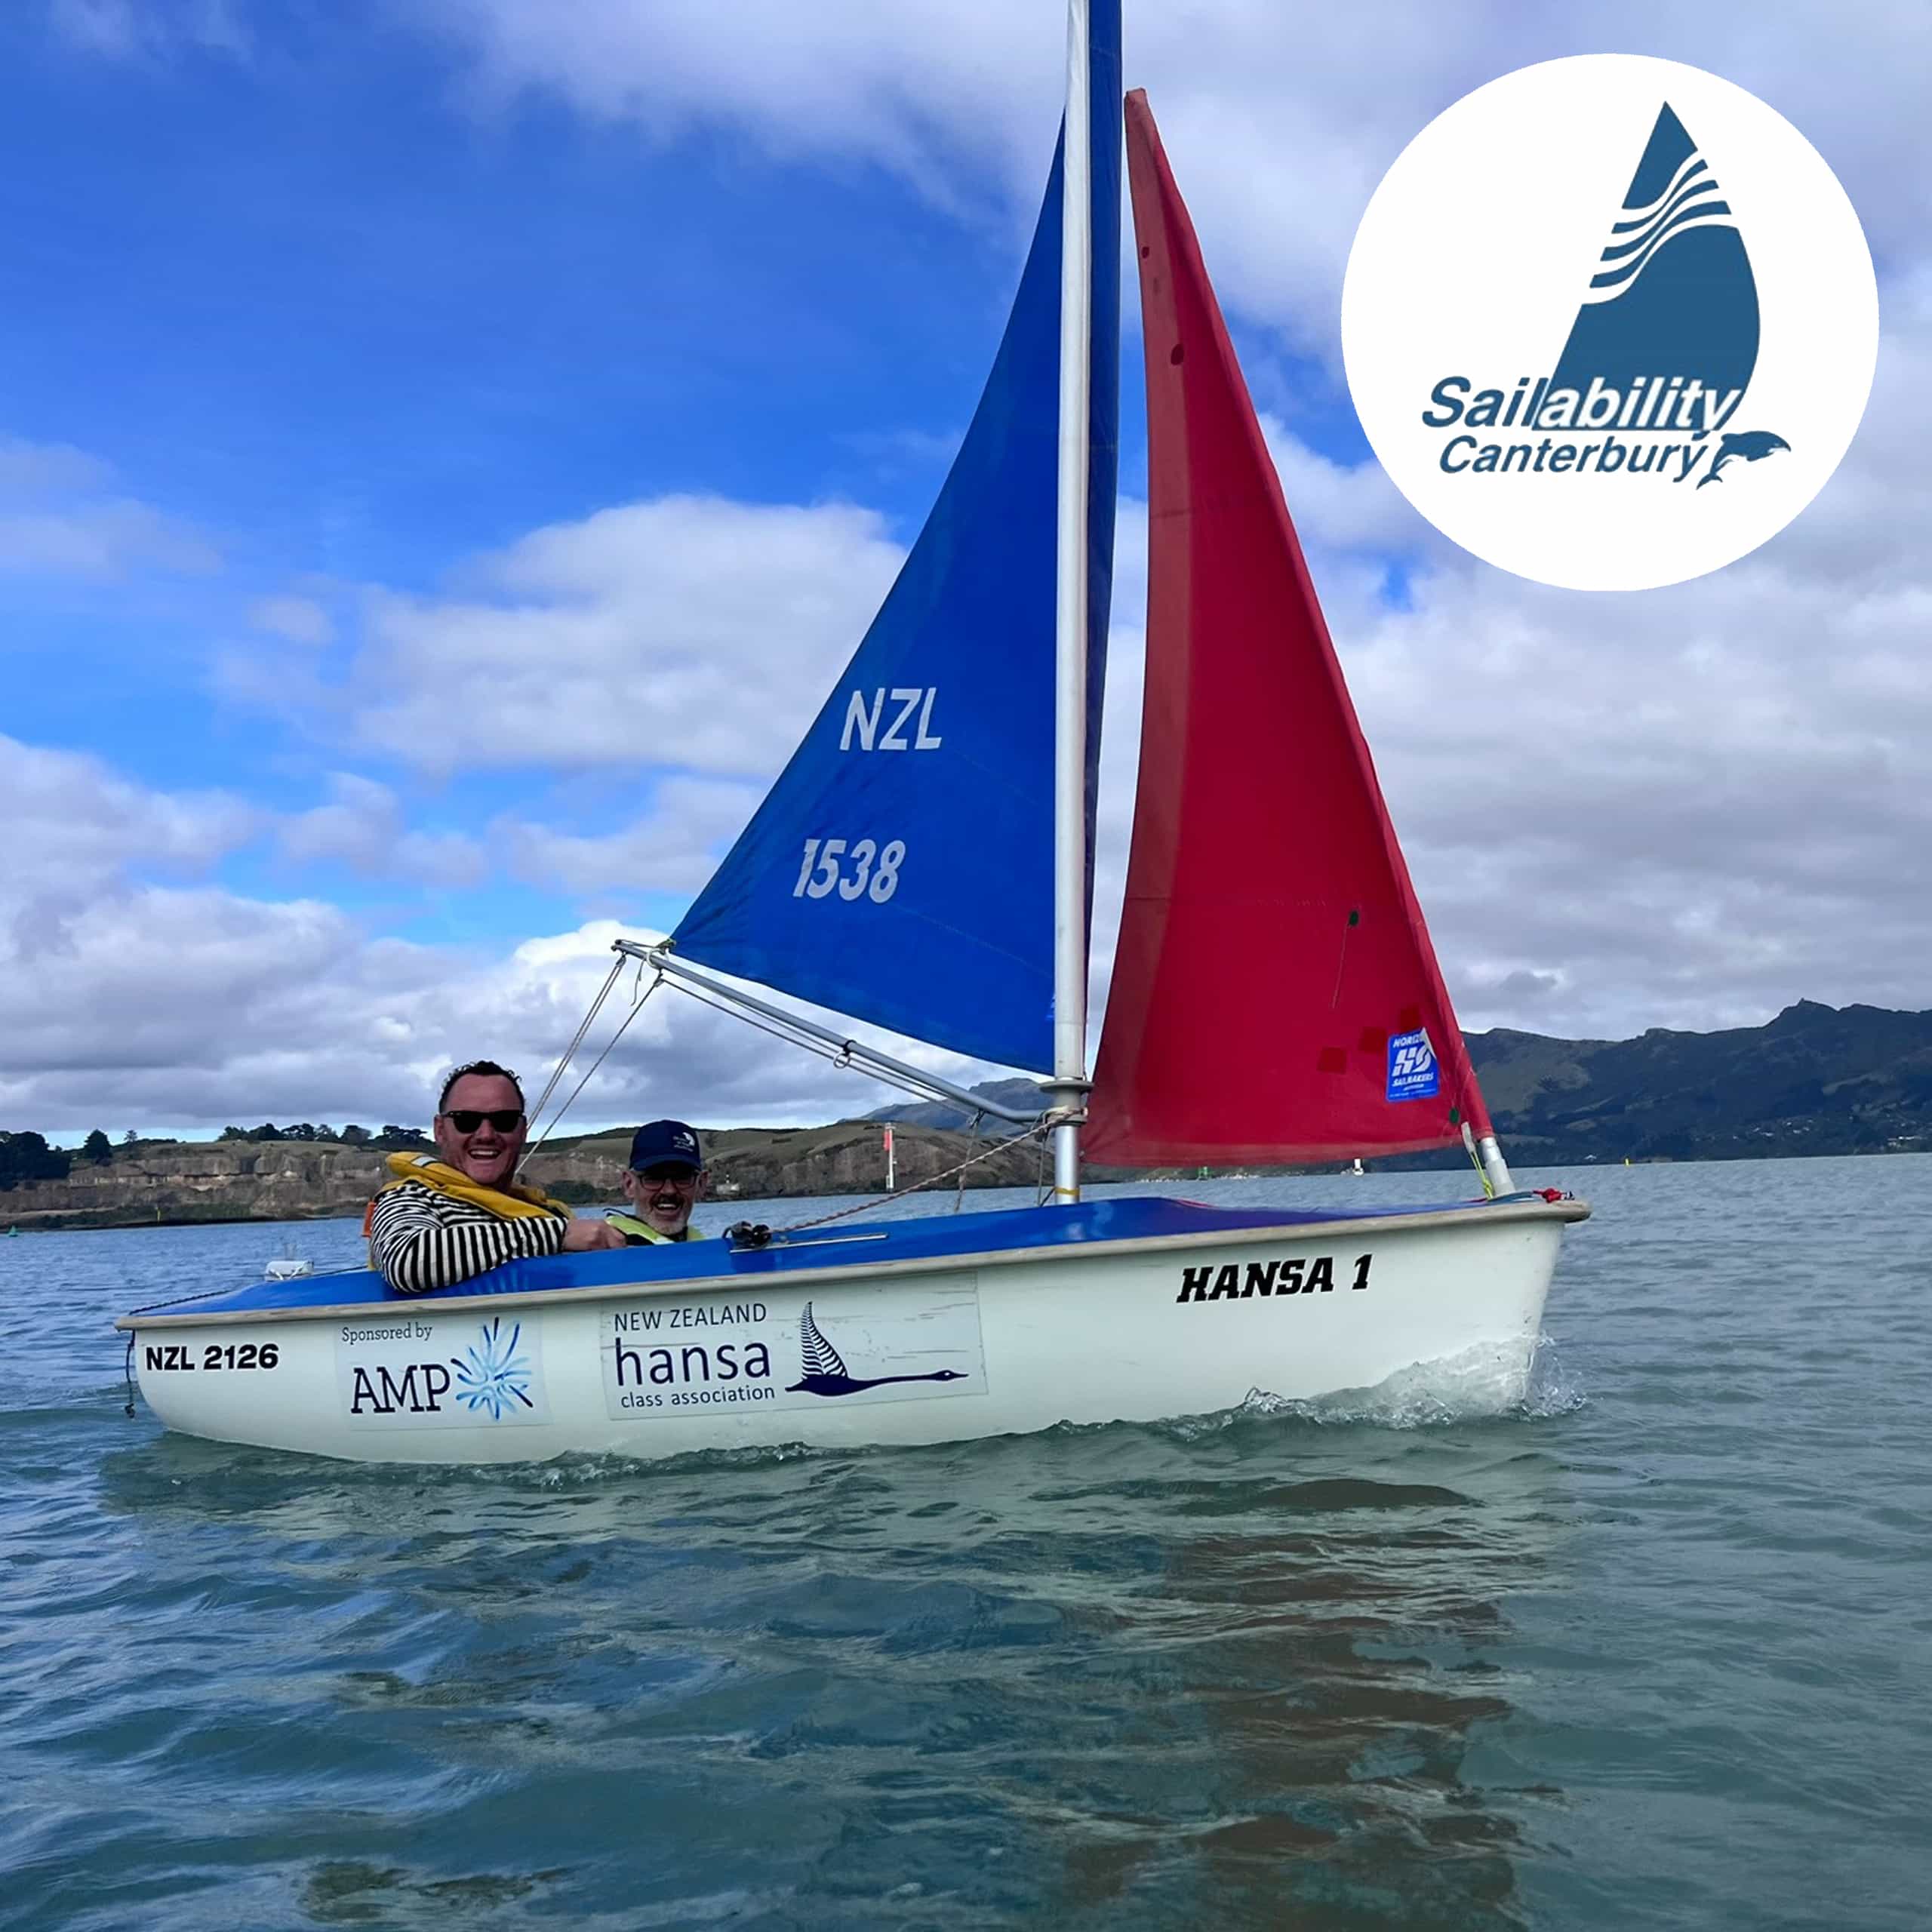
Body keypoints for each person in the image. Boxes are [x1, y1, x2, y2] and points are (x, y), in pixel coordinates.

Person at [366, 1060, 624, 1294]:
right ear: (440, 1130)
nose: (486, 1135)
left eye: (504, 1121)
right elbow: (405, 1260)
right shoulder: (410, 1198)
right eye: (466, 1121)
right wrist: (558, 1235)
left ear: (523, 1131)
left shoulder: (552, 1212)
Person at [606, 1119, 710, 1244]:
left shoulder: (712, 1248)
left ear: (701, 1184)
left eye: (682, 1178)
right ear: (629, 1184)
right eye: (654, 1179)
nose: (669, 1191)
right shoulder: (602, 1246)